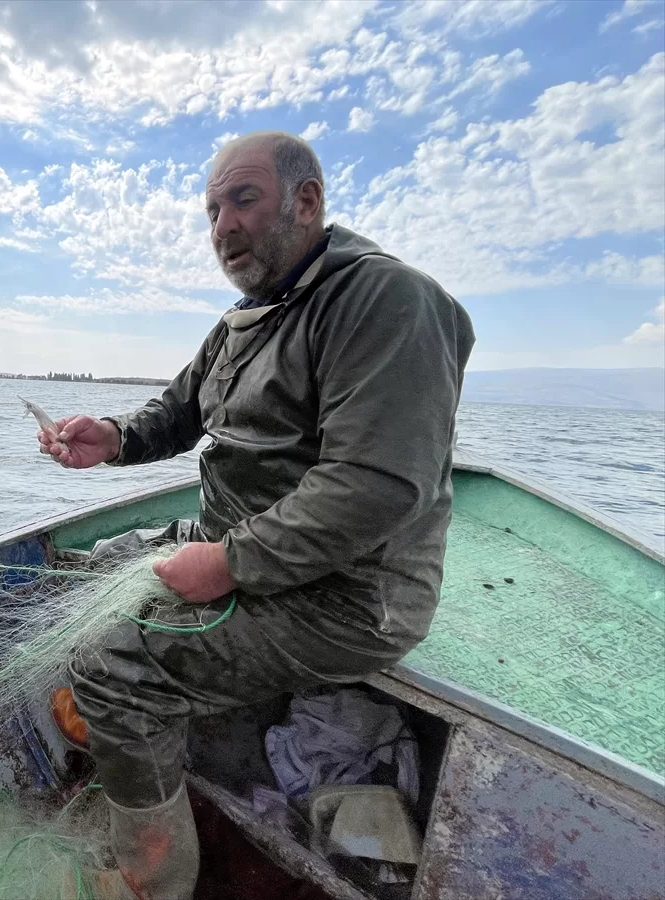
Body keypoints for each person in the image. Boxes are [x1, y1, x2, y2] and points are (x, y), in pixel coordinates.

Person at [37, 131, 475, 900]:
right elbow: (178, 412)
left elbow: (374, 485)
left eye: (244, 200)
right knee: (86, 573)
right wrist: (109, 437)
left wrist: (230, 564)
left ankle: (151, 876)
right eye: (211, 211)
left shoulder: (385, 300)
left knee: (114, 669)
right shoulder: (247, 316)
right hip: (229, 542)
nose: (223, 227)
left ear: (307, 202)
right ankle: (123, 747)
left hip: (343, 596)